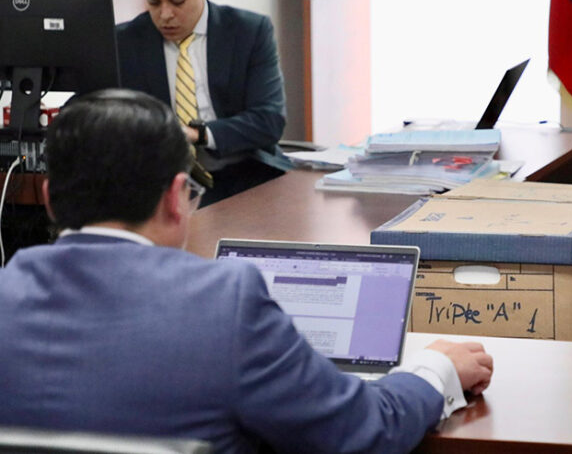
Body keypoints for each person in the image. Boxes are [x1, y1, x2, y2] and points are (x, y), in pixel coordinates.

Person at [0, 89, 493, 453]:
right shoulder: (223, 303)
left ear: (48, 199)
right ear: (175, 197)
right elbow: (362, 432)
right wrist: (436, 370)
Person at [116, 0, 290, 207]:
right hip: (160, 182)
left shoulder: (249, 32)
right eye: (153, 2)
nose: (165, 14)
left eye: (177, 1)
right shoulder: (125, 41)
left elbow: (269, 120)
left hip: (243, 173)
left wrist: (198, 134)